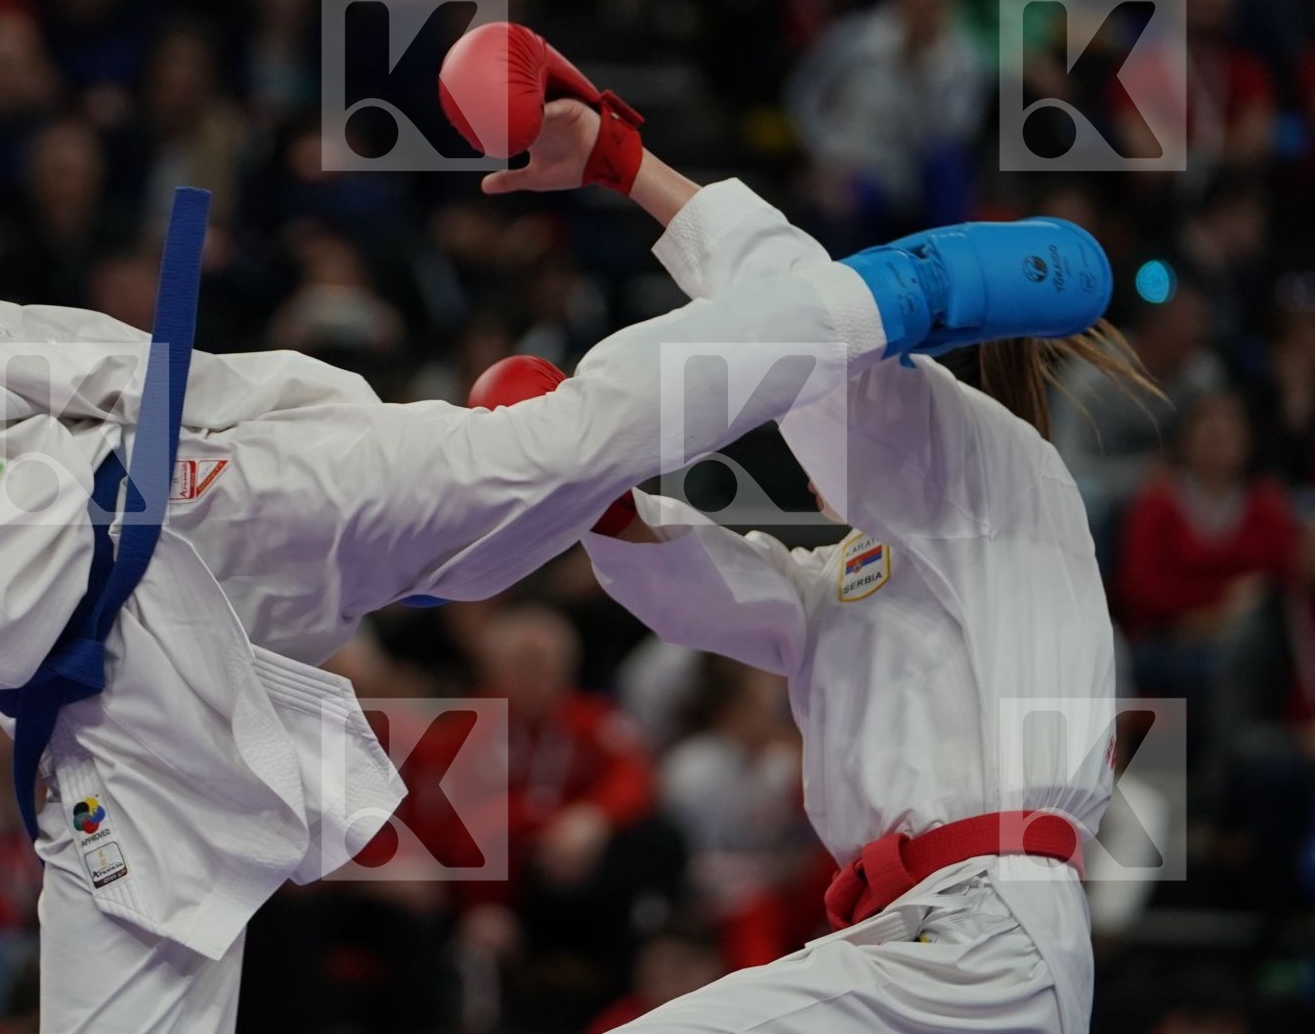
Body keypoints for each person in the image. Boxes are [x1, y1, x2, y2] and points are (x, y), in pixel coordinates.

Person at [0, 27, 1106, 1033]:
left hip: (208, 512)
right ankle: (521, 471)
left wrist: (275, 412)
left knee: (565, 432)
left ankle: (877, 295)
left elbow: (70, 353)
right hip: (97, 728)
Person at [459, 97, 1151, 1030]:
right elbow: (718, 585)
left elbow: (818, 323)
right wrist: (588, 487)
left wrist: (626, 163)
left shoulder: (990, 474)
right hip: (937, 944)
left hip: (978, 937)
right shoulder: (879, 577)